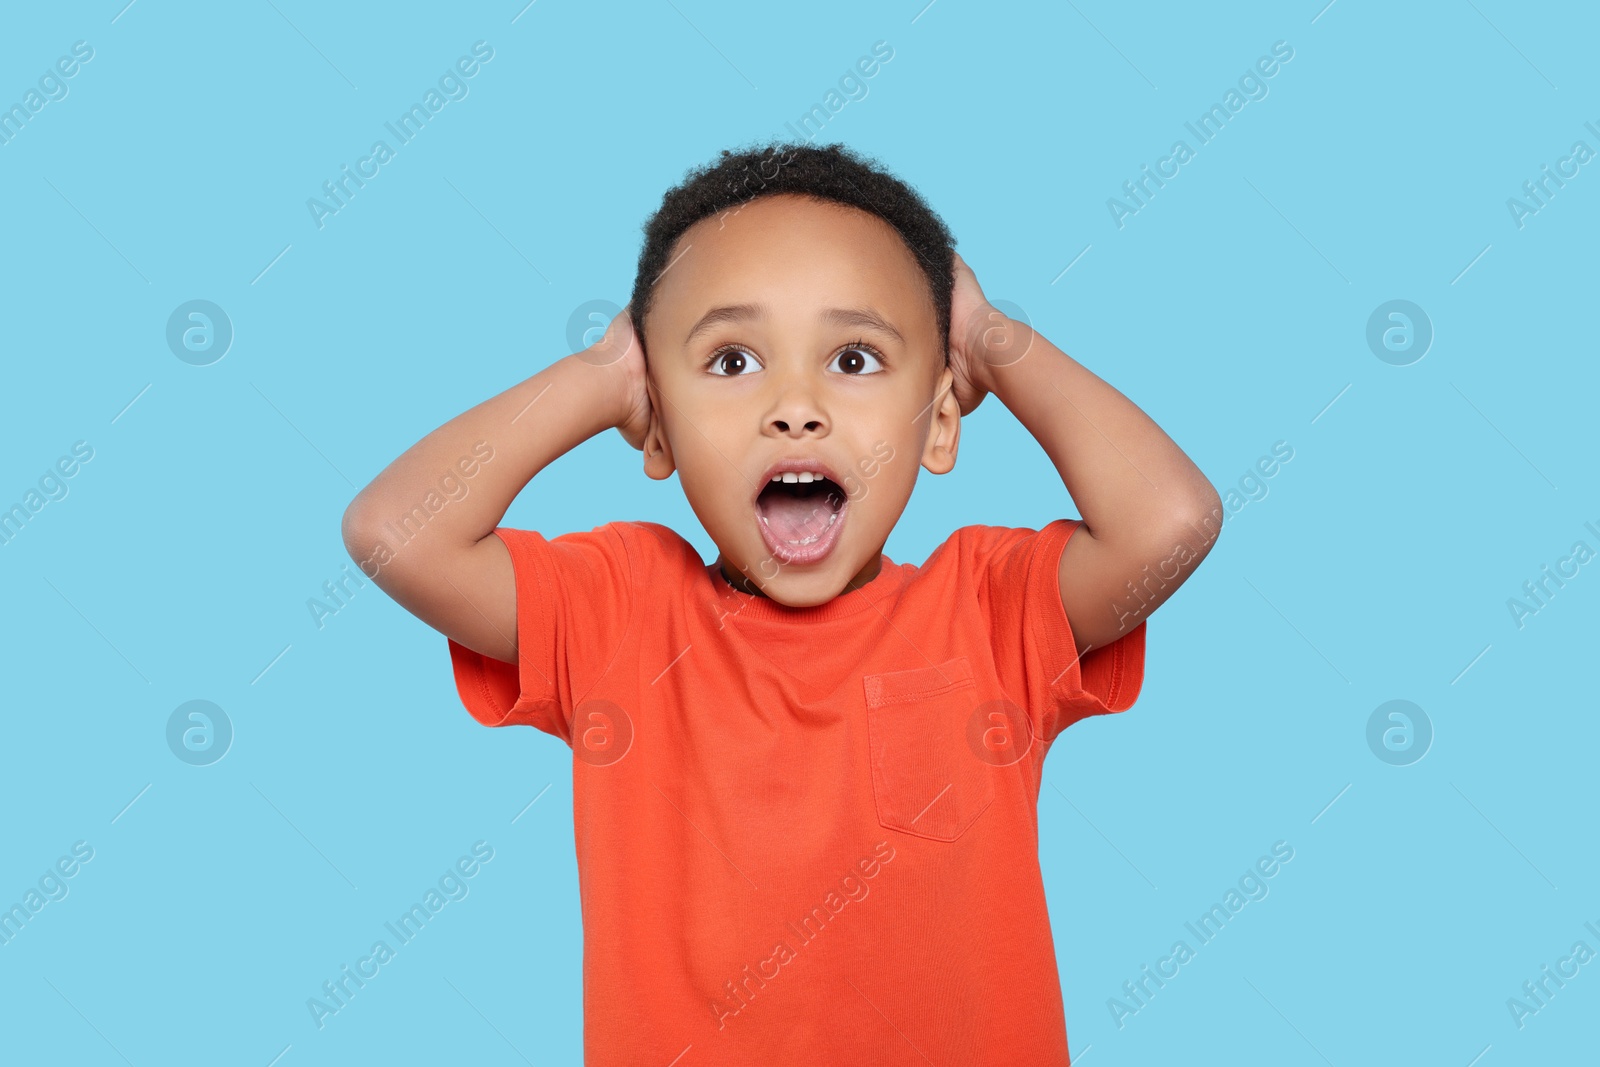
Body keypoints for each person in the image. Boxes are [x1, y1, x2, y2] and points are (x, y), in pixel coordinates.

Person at [341, 140, 1223, 1065]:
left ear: (940, 421)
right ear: (658, 427)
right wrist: (600, 378)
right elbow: (395, 529)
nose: (795, 407)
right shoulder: (621, 609)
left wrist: (993, 342)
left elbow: (1171, 520)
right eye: (730, 362)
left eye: (854, 357)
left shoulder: (991, 608)